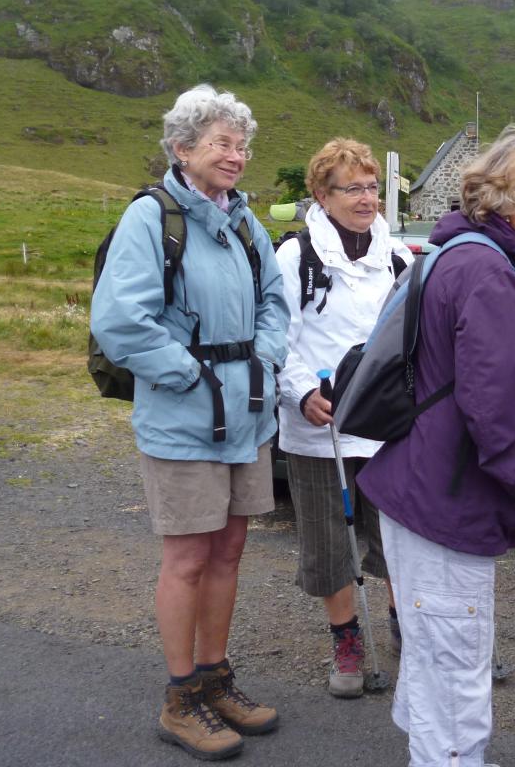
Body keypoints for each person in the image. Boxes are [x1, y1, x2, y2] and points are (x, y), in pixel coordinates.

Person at [357, 124, 515, 767]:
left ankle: (431, 751)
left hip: (421, 485)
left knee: (435, 654)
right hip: (448, 501)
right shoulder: (484, 271)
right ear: (511, 198)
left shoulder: (460, 254)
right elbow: (493, 409)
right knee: (457, 667)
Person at [91, 84, 289, 761]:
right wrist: (187, 375)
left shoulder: (242, 222)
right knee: (187, 557)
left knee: (229, 551)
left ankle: (214, 678)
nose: (236, 156)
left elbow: (274, 300)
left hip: (247, 416)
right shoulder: (151, 218)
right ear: (182, 149)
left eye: (242, 144)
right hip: (184, 417)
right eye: (222, 144)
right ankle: (180, 698)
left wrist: (263, 358)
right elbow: (120, 321)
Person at [274, 138, 412, 698]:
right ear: (322, 195)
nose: (365, 198)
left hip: (383, 426)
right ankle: (346, 639)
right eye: (351, 188)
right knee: (330, 542)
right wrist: (303, 392)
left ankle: (405, 622)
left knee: (399, 532)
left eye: (371, 187)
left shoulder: (397, 258)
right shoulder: (296, 257)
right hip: (319, 426)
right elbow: (279, 339)